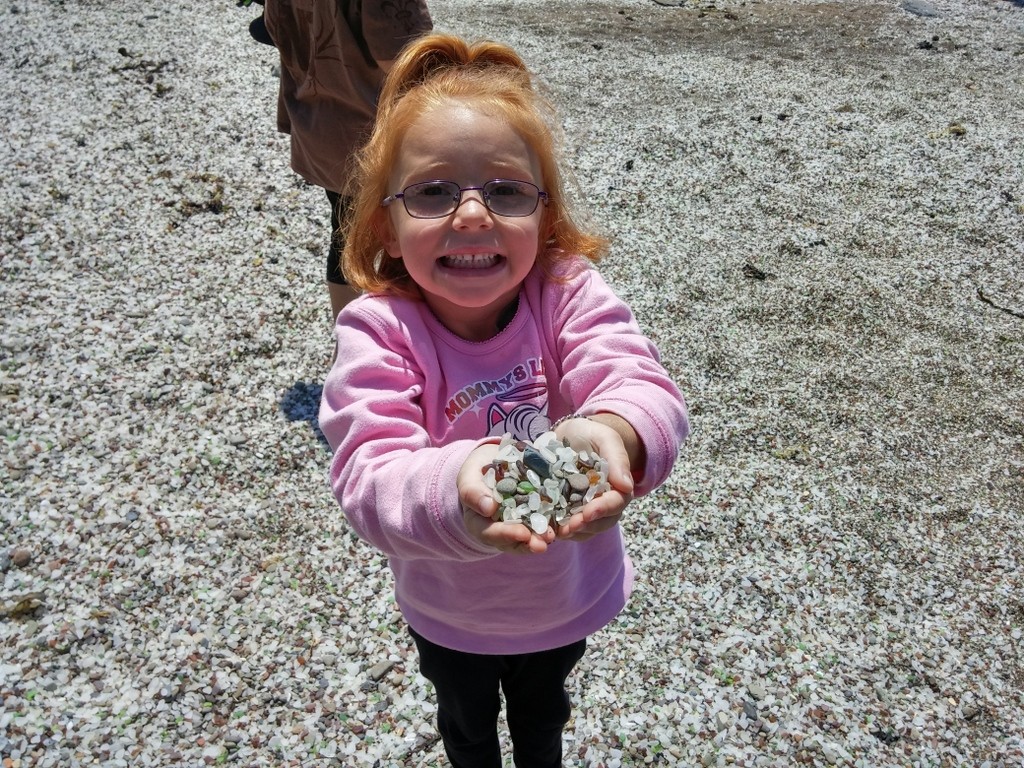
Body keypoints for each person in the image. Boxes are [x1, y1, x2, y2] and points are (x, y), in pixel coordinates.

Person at [318, 33, 690, 768]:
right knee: (464, 721)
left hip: (564, 594)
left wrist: (615, 434)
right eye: (431, 192)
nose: (471, 215)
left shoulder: (565, 292)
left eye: (507, 191)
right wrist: (452, 486)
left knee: (545, 711)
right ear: (382, 227)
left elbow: (639, 381)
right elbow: (367, 470)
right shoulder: (380, 328)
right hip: (449, 609)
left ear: (545, 219)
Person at [262, 0, 432, 324]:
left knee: (346, 240)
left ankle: (351, 350)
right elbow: (403, 57)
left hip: (320, 128)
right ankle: (420, 350)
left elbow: (275, 27)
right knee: (417, 236)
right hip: (376, 136)